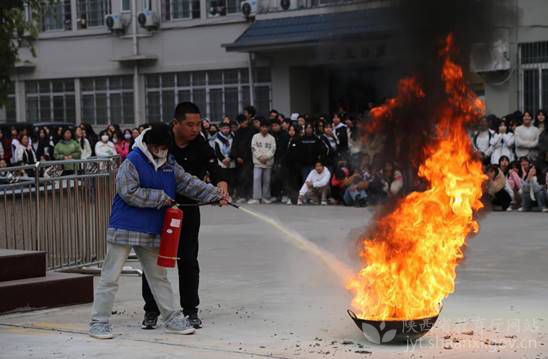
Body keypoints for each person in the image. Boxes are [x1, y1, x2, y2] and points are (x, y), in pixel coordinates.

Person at [89, 123, 229, 340]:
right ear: (148, 144)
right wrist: (160, 197)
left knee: (158, 277)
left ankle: (173, 318)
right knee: (111, 276)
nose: (161, 151)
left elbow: (189, 183)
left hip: (151, 229)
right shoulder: (132, 161)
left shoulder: (170, 164)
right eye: (158, 147)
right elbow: (127, 192)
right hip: (124, 227)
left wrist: (214, 194)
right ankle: (99, 321)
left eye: (165, 147)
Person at [141, 102, 229, 331]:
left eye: (198, 124)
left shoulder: (200, 143)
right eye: (189, 124)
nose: (195, 129)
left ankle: (190, 310)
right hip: (160, 209)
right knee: (155, 260)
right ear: (176, 124)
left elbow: (216, 168)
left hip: (188, 209)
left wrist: (221, 185)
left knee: (188, 260)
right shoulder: (162, 143)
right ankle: (151, 310)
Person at [249, 119, 276, 204]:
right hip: (258, 162)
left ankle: (265, 197)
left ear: (268, 128)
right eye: (263, 127)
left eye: (266, 127)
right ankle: (256, 198)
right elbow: (253, 148)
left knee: (266, 180)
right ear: (260, 127)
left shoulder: (272, 138)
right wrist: (260, 157)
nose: (264, 129)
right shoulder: (255, 136)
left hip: (268, 162)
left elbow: (273, 149)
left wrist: (266, 157)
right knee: (256, 179)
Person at [231, 114, 256, 203]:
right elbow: (234, 146)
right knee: (240, 178)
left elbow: (251, 146)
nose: (244, 123)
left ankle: (249, 196)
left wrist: (244, 157)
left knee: (248, 177)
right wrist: (237, 156)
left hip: (248, 159)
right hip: (238, 160)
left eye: (245, 121)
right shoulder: (237, 132)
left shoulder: (251, 131)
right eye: (242, 122)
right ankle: (241, 195)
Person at [270, 120, 289, 202]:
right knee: (274, 179)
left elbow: (286, 149)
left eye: (276, 125)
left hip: (283, 160)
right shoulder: (271, 135)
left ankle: (285, 194)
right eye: (273, 126)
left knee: (284, 179)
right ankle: (276, 195)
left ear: (280, 125)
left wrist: (282, 161)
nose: (274, 127)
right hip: (273, 159)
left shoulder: (285, 135)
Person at [213, 122, 235, 192]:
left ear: (230, 129)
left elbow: (234, 149)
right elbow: (217, 151)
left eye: (227, 128)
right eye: (224, 128)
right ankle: (224, 193)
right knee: (223, 179)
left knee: (232, 178)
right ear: (221, 129)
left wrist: (229, 158)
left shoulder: (233, 138)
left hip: (231, 161)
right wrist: (223, 160)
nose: (226, 130)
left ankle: (232, 193)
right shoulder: (217, 140)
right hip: (222, 163)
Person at [283, 125, 302, 205]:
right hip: (288, 165)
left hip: (295, 165)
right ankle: (290, 197)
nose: (291, 132)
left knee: (295, 183)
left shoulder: (297, 140)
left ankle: (295, 199)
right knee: (289, 182)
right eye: (290, 130)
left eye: (293, 130)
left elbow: (296, 154)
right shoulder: (287, 139)